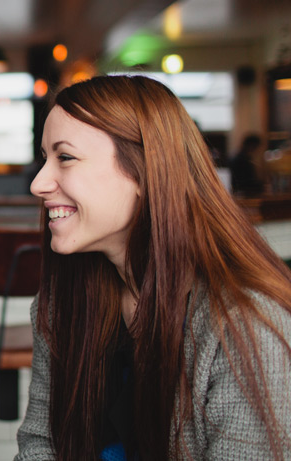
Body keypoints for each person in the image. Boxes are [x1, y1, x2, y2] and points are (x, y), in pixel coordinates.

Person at [15, 75, 291, 460]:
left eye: (65, 157)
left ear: (143, 171)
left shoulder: (247, 323)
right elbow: (40, 443)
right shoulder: (63, 305)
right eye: (45, 158)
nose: (39, 183)